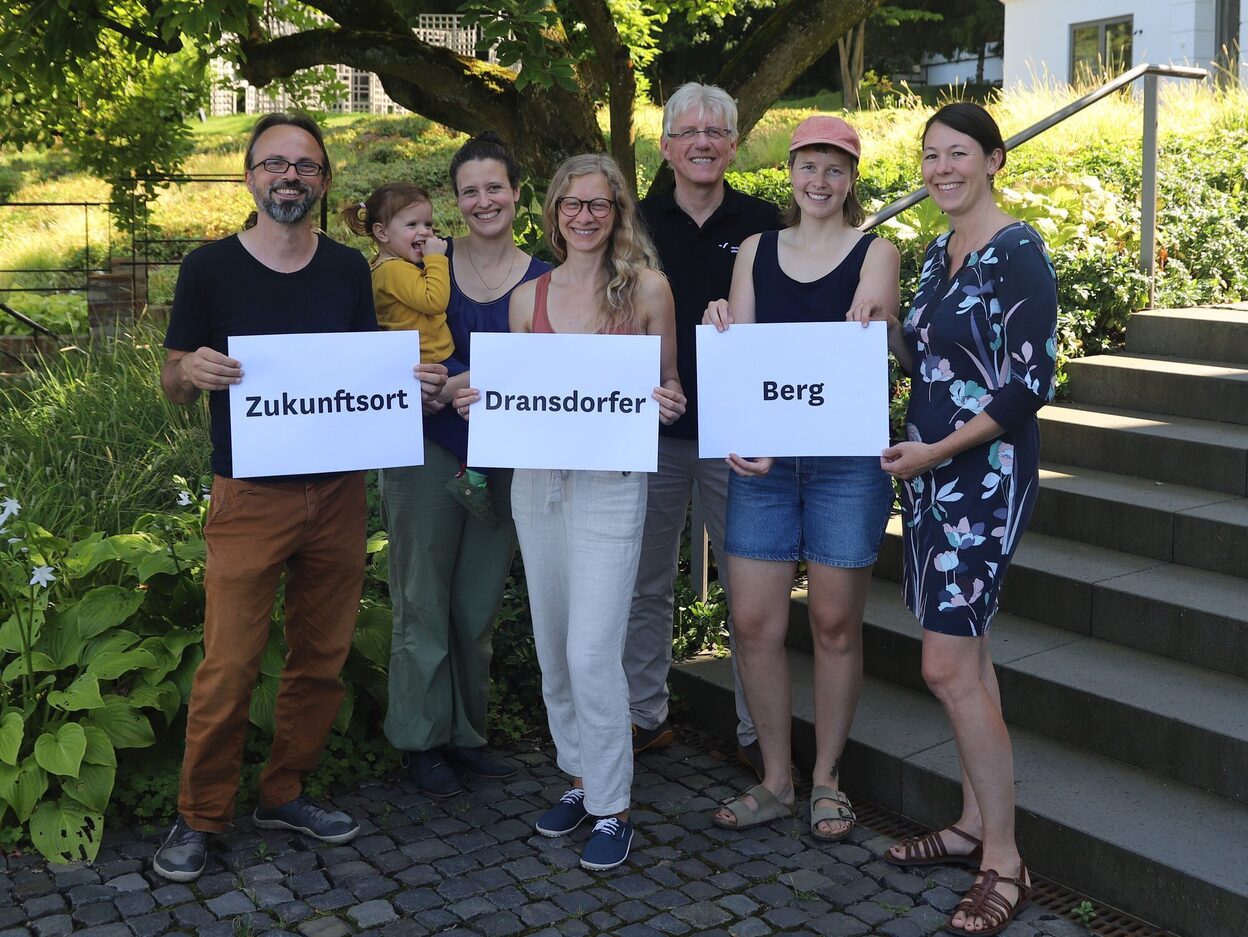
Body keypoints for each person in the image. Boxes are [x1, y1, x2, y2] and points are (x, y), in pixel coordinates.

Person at [153, 113, 447, 882]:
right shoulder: (209, 267)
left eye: (306, 166)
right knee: (230, 662)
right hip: (248, 494)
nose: (291, 176)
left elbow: (363, 371)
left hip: (339, 492)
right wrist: (191, 373)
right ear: (249, 176)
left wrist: (404, 384)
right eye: (275, 163)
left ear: (323, 181)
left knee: (320, 658)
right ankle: (199, 814)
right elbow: (171, 381)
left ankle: (283, 791)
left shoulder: (348, 268)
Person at [456, 153, 685, 871]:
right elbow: (518, 390)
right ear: (553, 214)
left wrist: (668, 401)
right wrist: (476, 392)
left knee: (592, 649)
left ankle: (615, 806)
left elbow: (668, 384)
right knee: (555, 644)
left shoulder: (648, 289)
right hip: (539, 483)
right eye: (570, 205)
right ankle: (581, 779)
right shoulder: (531, 297)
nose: (584, 217)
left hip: (612, 482)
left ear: (618, 212)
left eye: (599, 205)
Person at [873, 102, 1056, 936]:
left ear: (994, 159)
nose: (941, 169)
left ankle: (1005, 862)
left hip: (980, 477)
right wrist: (879, 338)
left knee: (947, 667)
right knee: (968, 664)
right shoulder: (938, 254)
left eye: (958, 155)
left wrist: (939, 451)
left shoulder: (1017, 250)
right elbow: (935, 355)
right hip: (934, 477)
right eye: (929, 157)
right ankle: (976, 821)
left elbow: (1025, 386)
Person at [703, 116, 898, 843]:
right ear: (788, 173)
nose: (819, 181)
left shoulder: (878, 250)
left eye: (834, 168)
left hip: (846, 463)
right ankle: (777, 777)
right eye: (807, 166)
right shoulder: (755, 249)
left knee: (833, 623)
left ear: (852, 178)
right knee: (754, 622)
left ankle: (828, 780)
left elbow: (878, 325)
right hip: (766, 461)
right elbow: (745, 354)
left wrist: (876, 319)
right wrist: (723, 328)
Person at [380, 132, 549, 799]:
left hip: (503, 458)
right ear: (456, 201)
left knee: (477, 605)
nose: (484, 200)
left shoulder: (544, 278)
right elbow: (378, 339)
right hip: (426, 444)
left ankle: (466, 735)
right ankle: (421, 739)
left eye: (495, 187)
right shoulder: (421, 265)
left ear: (516, 193)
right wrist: (431, 377)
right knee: (422, 597)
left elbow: (552, 366)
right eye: (470, 190)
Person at [628, 82, 779, 773]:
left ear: (734, 145)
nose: (702, 143)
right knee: (645, 583)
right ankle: (642, 717)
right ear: (665, 146)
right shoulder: (638, 221)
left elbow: (784, 313)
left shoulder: (762, 220)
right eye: (688, 132)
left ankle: (757, 731)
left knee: (749, 590)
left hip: (736, 435)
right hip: (650, 433)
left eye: (716, 132)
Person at [343, 183, 495, 526]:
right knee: (479, 429)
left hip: (439, 360)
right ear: (381, 233)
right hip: (429, 366)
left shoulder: (396, 268)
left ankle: (473, 474)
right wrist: (438, 260)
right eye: (412, 225)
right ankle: (473, 481)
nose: (425, 233)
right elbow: (434, 300)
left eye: (428, 224)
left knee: (476, 415)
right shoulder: (393, 270)